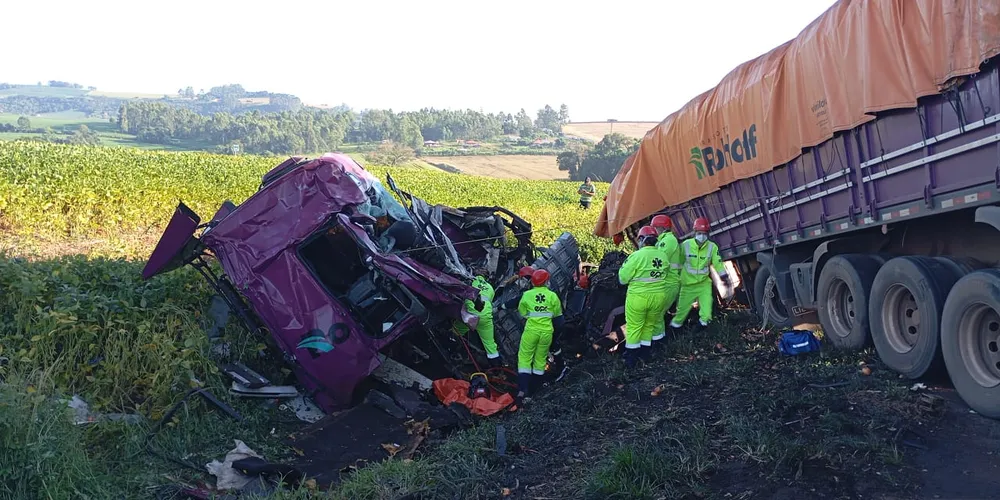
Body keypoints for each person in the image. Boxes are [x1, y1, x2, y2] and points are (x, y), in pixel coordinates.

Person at [617, 226, 670, 367]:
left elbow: (622, 279)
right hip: (658, 297)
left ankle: (631, 360)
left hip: (639, 298)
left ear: (641, 239)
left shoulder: (636, 256)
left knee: (634, 327)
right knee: (649, 325)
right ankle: (645, 355)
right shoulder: (663, 256)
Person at [669, 217, 731, 330]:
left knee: (707, 313)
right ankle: (675, 330)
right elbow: (678, 263)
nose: (701, 236)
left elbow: (717, 263)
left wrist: (724, 277)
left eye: (704, 233)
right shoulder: (685, 245)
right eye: (699, 233)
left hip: (703, 285)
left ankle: (701, 328)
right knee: (680, 314)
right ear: (694, 232)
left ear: (707, 233)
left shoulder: (712, 247)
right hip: (687, 285)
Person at [516, 268, 562, 400]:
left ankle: (523, 389)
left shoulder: (527, 295)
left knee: (525, 358)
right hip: (547, 332)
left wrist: (532, 316)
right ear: (546, 282)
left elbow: (522, 311)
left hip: (531, 331)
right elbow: (557, 315)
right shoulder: (552, 296)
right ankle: (535, 391)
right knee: (540, 360)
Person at [453, 268, 501, 365]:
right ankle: (497, 368)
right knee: (490, 344)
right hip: (485, 318)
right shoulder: (490, 288)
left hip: (470, 316)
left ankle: (453, 350)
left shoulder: (470, 281)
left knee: (455, 331)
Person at [650, 214, 682, 345]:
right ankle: (659, 341)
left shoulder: (667, 241)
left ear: (660, 228)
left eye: (655, 228)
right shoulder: (663, 240)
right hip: (666, 283)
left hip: (669, 284)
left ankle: (660, 343)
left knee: (656, 314)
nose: (654, 231)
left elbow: (658, 259)